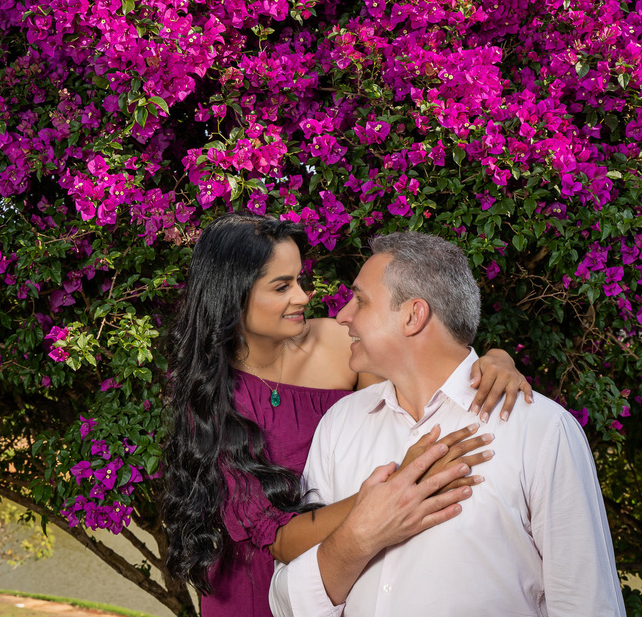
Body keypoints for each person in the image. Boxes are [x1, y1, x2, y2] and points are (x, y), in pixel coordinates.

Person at [163, 213, 532, 617]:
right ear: (232, 295)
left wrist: (496, 359)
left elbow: (415, 390)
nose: (303, 296)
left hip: (355, 577)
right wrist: (393, 493)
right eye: (282, 286)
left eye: (300, 279)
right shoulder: (208, 393)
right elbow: (279, 539)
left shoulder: (341, 344)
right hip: (255, 587)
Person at [269, 231, 627, 617]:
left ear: (413, 315)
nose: (342, 316)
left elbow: (587, 605)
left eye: (360, 300)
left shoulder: (542, 430)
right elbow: (286, 600)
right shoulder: (340, 423)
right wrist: (360, 535)